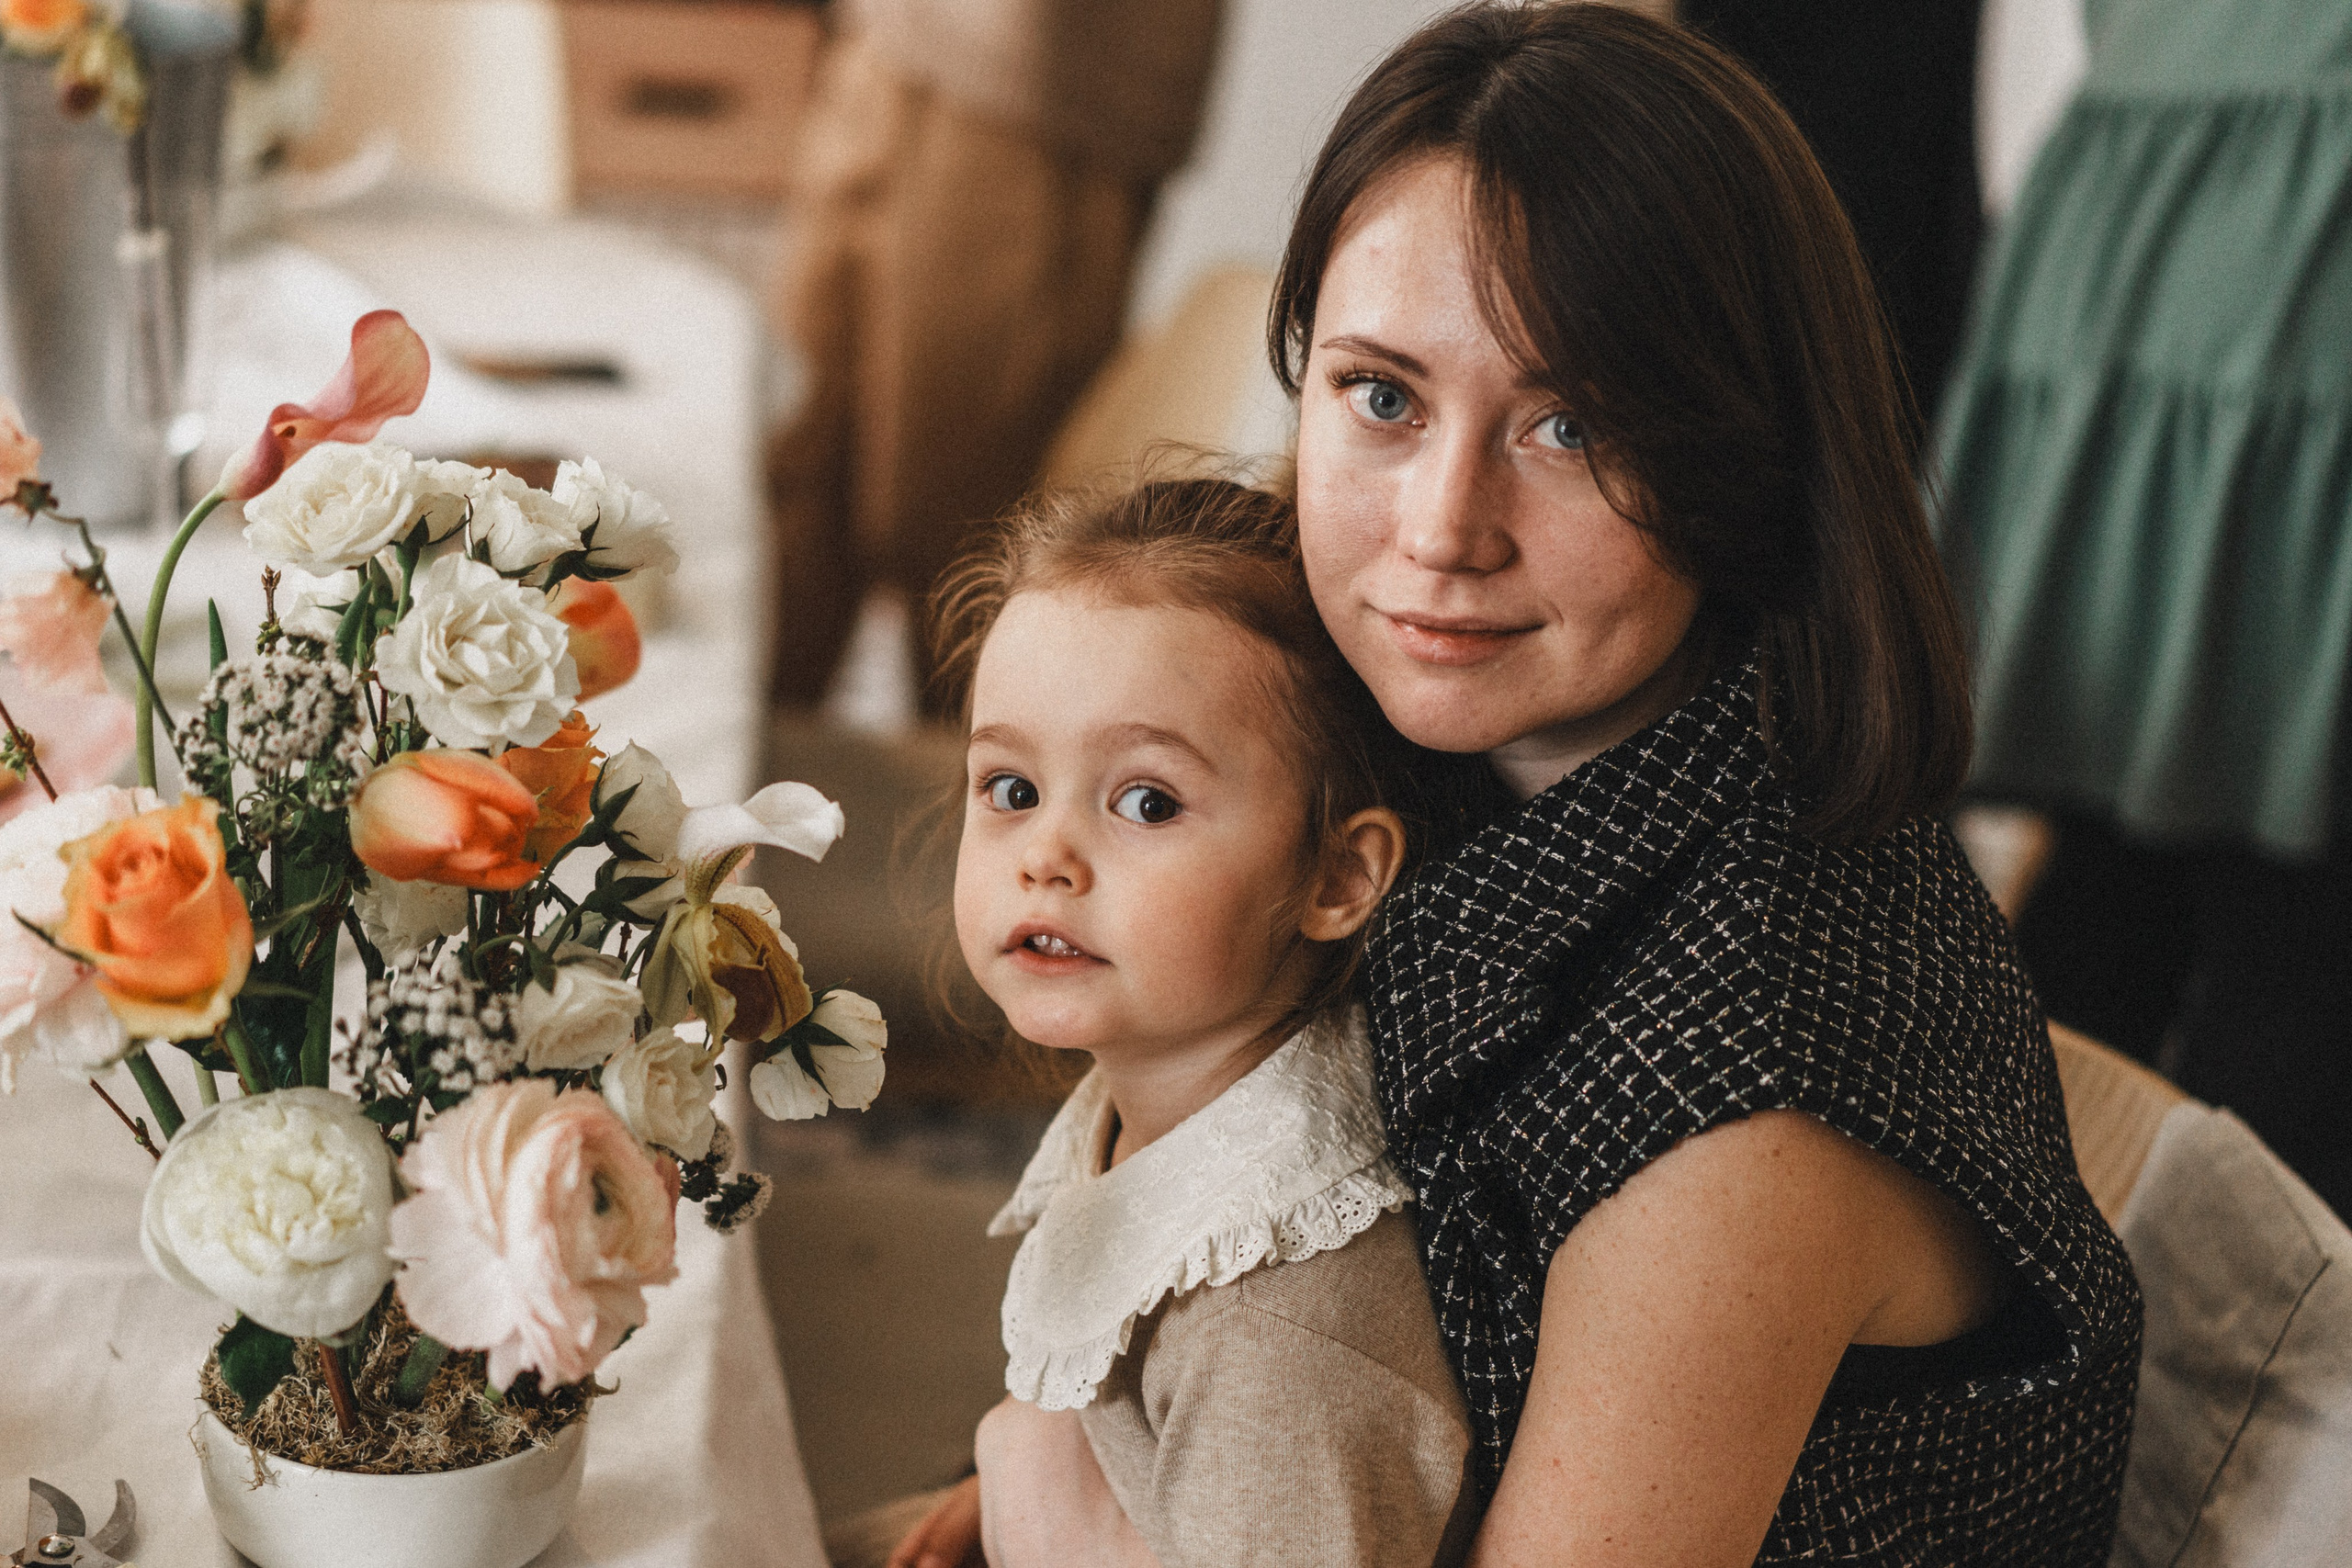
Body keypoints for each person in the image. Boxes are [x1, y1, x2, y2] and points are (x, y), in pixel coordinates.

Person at [1243, 6, 2127, 1563]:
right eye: (1382, 395)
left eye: (1572, 425)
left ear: (1750, 449)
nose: (1445, 526)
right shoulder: (1485, 755)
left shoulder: (1747, 1102)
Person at [859, 478, 1479, 1568]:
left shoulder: (1279, 1337)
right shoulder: (1178, 1085)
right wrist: (1008, 1487)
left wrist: (1043, 1508)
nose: (1044, 855)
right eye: (1008, 788)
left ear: (1338, 875)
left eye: (1146, 801)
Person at [1932, 0, 2352, 1219]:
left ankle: (1973, 1299)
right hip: (2278, 218)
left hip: (2141, 194)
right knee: (2292, 901)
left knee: (2131, 865)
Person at [763, 0, 1225, 717]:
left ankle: (985, 819)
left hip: (1036, 85)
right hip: (887, 41)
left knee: (966, 555)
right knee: (787, 491)